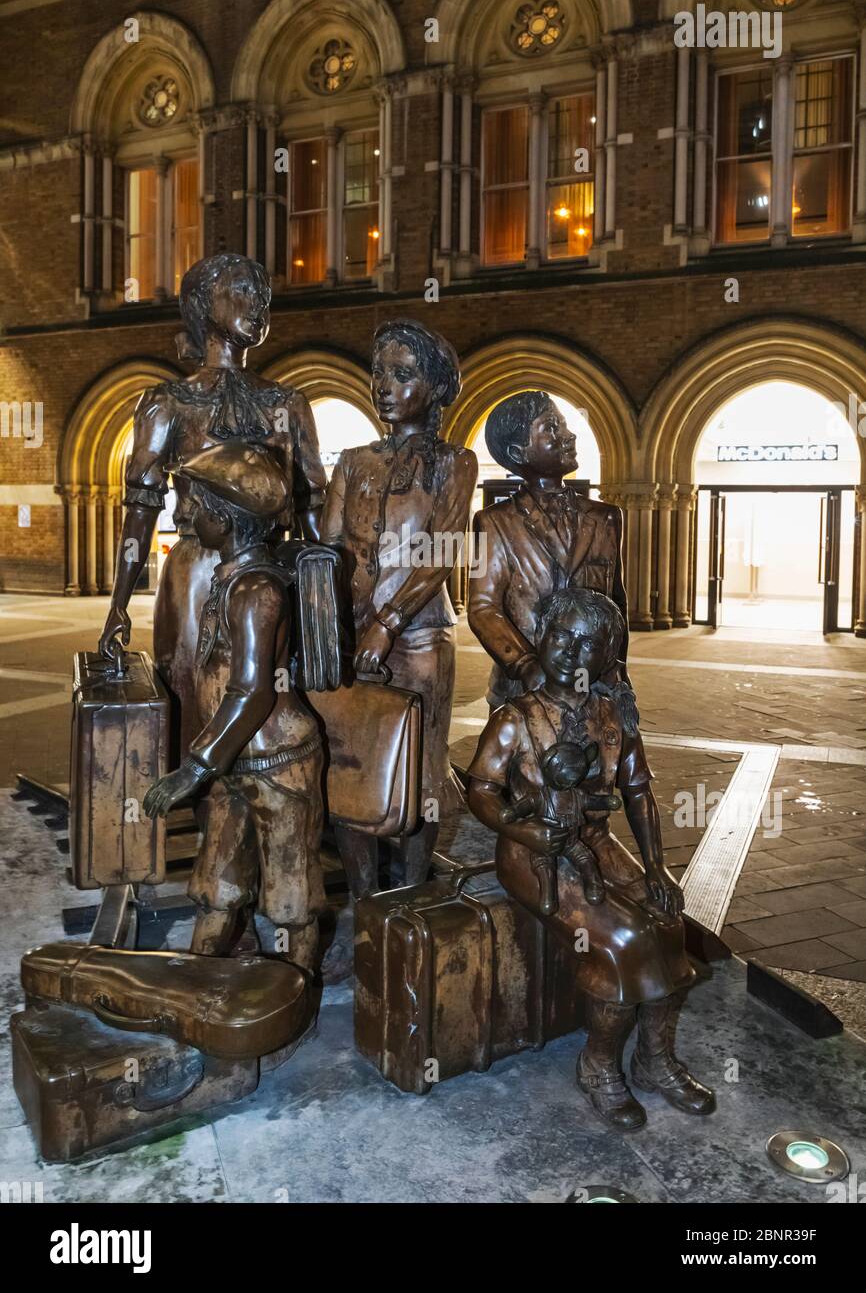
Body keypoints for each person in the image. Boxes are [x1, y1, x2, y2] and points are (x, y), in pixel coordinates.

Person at [468, 587, 714, 1130]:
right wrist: (525, 828)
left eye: (588, 644)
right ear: (541, 637)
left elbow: (640, 792)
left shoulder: (612, 715)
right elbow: (481, 789)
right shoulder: (518, 717)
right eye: (561, 635)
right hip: (533, 853)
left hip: (594, 842)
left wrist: (656, 870)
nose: (570, 652)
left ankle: (655, 1060)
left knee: (669, 921)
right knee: (624, 938)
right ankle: (598, 1064)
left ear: (608, 656)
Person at [99, 253, 326, 756]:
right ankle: (200, 798)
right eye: (243, 291)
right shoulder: (169, 401)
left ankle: (264, 794)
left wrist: (325, 592)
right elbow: (141, 508)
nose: (258, 306)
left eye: (264, 296)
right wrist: (117, 605)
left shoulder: (287, 403)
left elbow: (312, 503)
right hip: (195, 573)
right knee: (189, 695)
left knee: (270, 690)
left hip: (268, 569)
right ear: (203, 303)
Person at [143, 441, 325, 971]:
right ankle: (199, 977)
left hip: (278, 765)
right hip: (234, 763)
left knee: (291, 898)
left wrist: (195, 768)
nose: (182, 515)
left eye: (193, 504)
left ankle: (296, 989)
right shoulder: (229, 579)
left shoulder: (258, 590)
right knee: (216, 881)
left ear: (225, 516)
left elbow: (253, 689)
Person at [321, 319, 477, 893]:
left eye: (402, 374)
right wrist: (329, 623)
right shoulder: (353, 461)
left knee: (422, 771)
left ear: (434, 388)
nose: (384, 385)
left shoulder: (453, 463)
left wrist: (385, 626)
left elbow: (442, 553)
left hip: (418, 638)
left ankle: (409, 897)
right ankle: (367, 906)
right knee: (350, 765)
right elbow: (331, 546)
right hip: (352, 633)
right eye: (379, 372)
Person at [469, 390, 628, 709]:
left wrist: (615, 671)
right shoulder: (495, 522)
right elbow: (483, 607)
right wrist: (526, 665)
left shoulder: (604, 518)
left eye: (565, 425)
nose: (569, 436)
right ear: (518, 451)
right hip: (524, 687)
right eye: (552, 427)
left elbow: (615, 603)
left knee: (594, 754)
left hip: (590, 681)